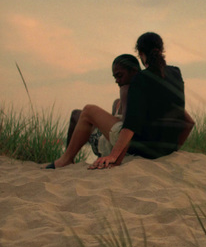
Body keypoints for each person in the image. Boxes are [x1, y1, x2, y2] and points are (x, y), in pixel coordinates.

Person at [45, 32, 194, 169]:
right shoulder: (176, 73)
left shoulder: (140, 79)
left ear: (141, 54)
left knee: (88, 110)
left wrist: (114, 157)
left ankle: (65, 159)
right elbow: (189, 122)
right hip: (163, 150)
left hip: (139, 148)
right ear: (161, 50)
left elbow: (131, 125)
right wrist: (173, 149)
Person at [65, 54, 141, 157]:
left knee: (77, 114)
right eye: (115, 77)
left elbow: (128, 124)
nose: (117, 81)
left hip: (114, 145)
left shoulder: (126, 90)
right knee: (114, 104)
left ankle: (67, 158)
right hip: (111, 142)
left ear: (133, 71)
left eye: (120, 76)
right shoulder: (131, 95)